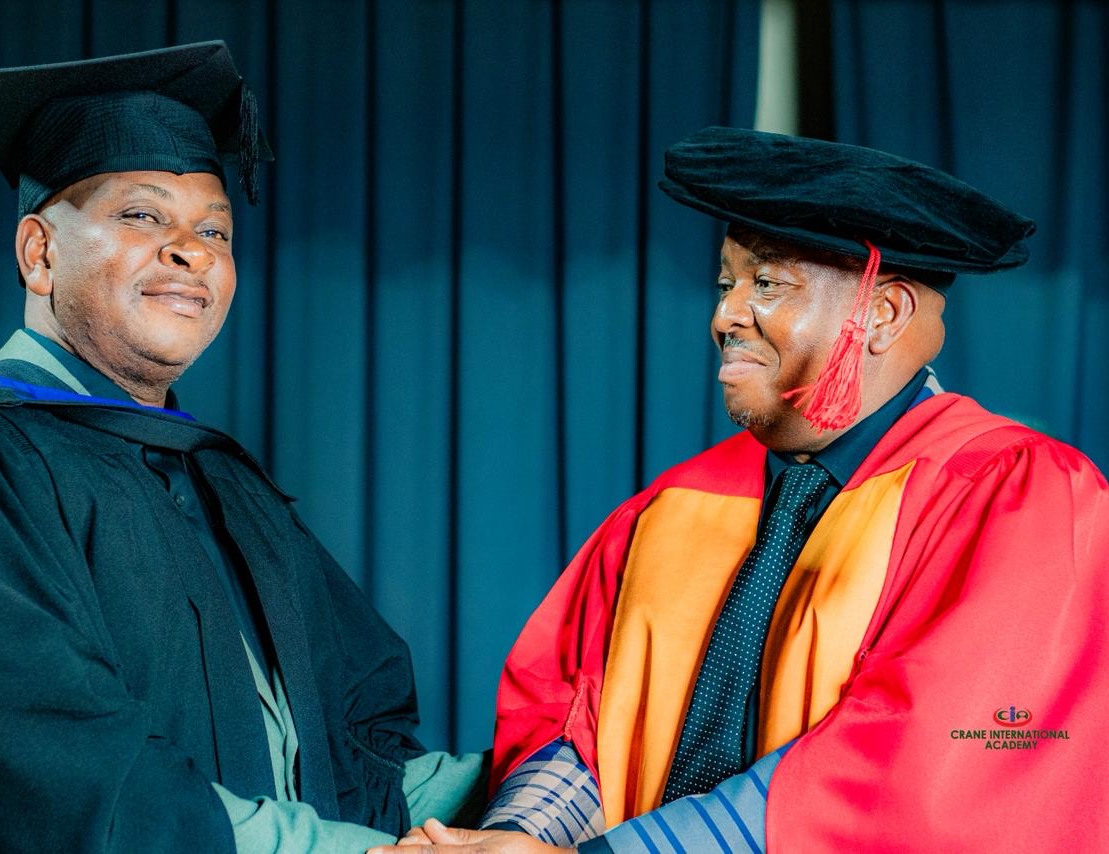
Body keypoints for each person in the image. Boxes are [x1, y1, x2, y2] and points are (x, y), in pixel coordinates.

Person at [369, 128, 1109, 853]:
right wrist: (514, 838)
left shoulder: (1019, 500)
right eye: (726, 284)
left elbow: (916, 771)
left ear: (881, 315)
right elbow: (581, 721)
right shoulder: (676, 505)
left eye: (767, 284)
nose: (724, 316)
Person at [0, 42, 483, 853]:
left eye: (215, 229)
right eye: (142, 216)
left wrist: (552, 790)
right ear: (40, 253)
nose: (192, 250)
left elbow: (360, 749)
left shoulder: (224, 485)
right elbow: (70, 769)